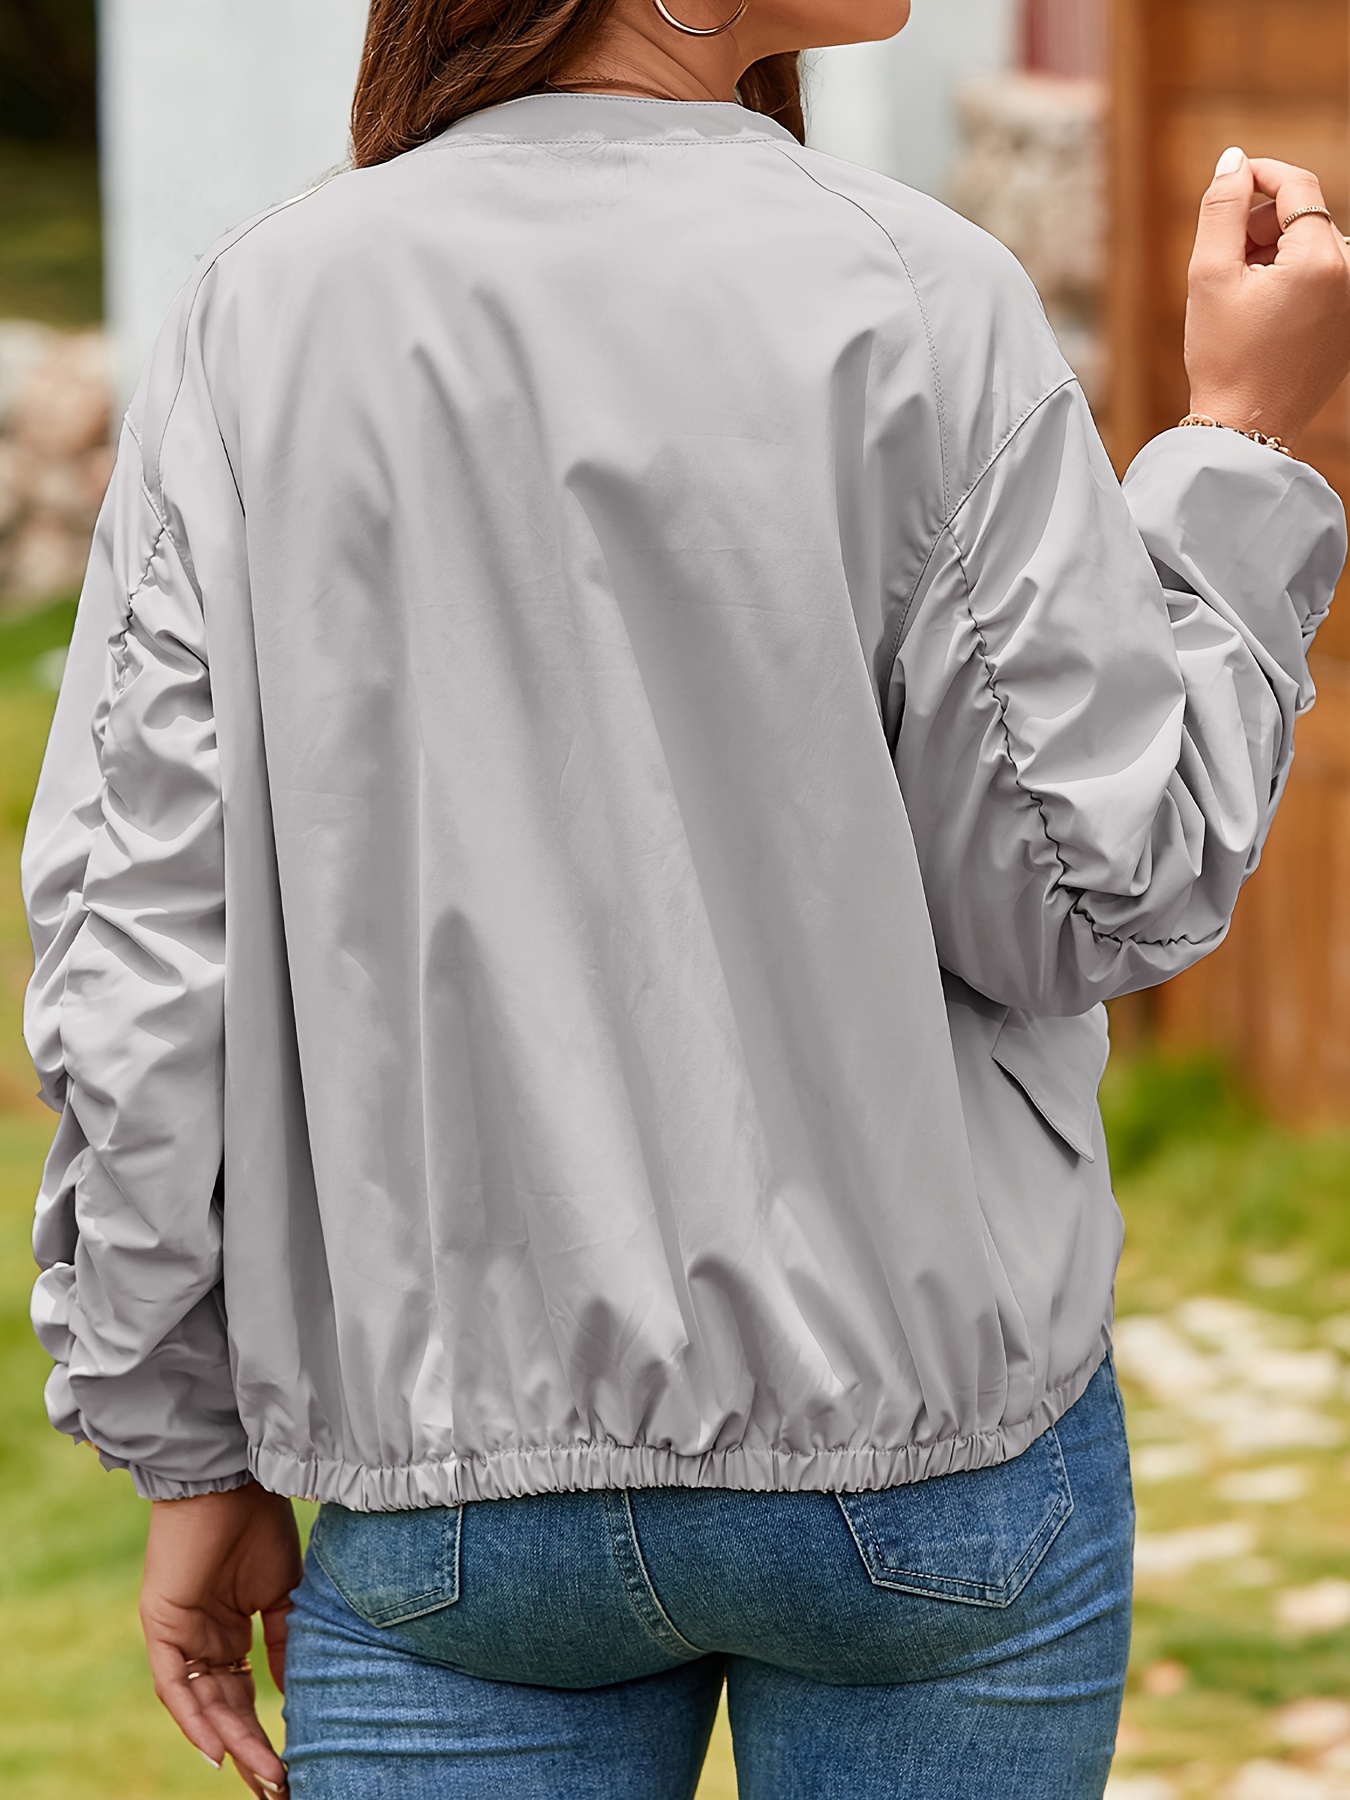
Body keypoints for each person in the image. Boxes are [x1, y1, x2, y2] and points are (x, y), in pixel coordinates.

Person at [22, 0, 1350, 1794]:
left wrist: (187, 1443)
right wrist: (1243, 446)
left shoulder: (255, 318)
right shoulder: (916, 296)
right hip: (924, 1462)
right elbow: (1092, 894)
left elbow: (138, 947)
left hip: (448, 1493)